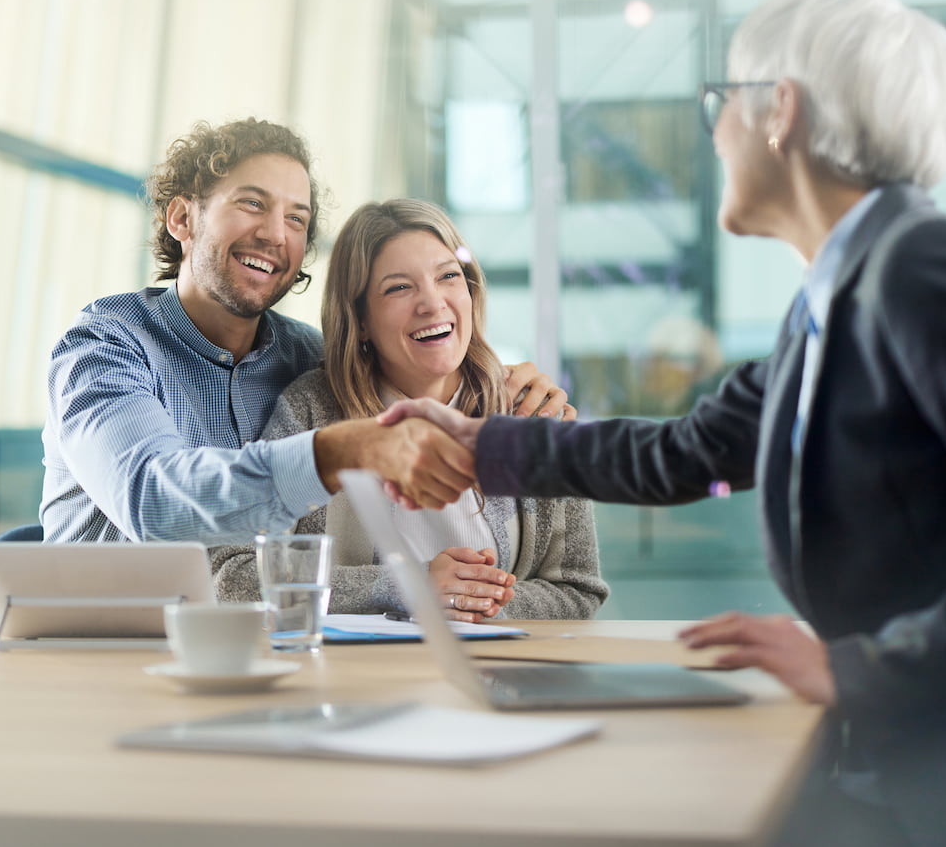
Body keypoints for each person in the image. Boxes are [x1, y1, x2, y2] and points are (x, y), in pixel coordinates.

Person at [381, 0, 946, 847]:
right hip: (914, 770)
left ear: (781, 111)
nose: (715, 134)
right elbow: (685, 452)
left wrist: (862, 670)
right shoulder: (832, 297)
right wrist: (479, 442)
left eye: (721, 105)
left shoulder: (926, 267)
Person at [39, 117, 568, 548]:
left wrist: (509, 387)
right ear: (182, 217)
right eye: (252, 203)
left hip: (252, 654)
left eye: (297, 219)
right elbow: (155, 505)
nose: (274, 234)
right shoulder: (105, 347)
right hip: (99, 648)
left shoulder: (308, 359)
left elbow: (416, 358)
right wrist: (337, 450)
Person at [210, 199, 608, 621]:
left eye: (449, 277)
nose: (432, 303)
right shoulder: (310, 410)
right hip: (358, 681)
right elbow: (235, 577)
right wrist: (406, 588)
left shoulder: (532, 411)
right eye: (399, 287)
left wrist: (473, 603)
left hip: (498, 679)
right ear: (359, 319)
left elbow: (578, 588)